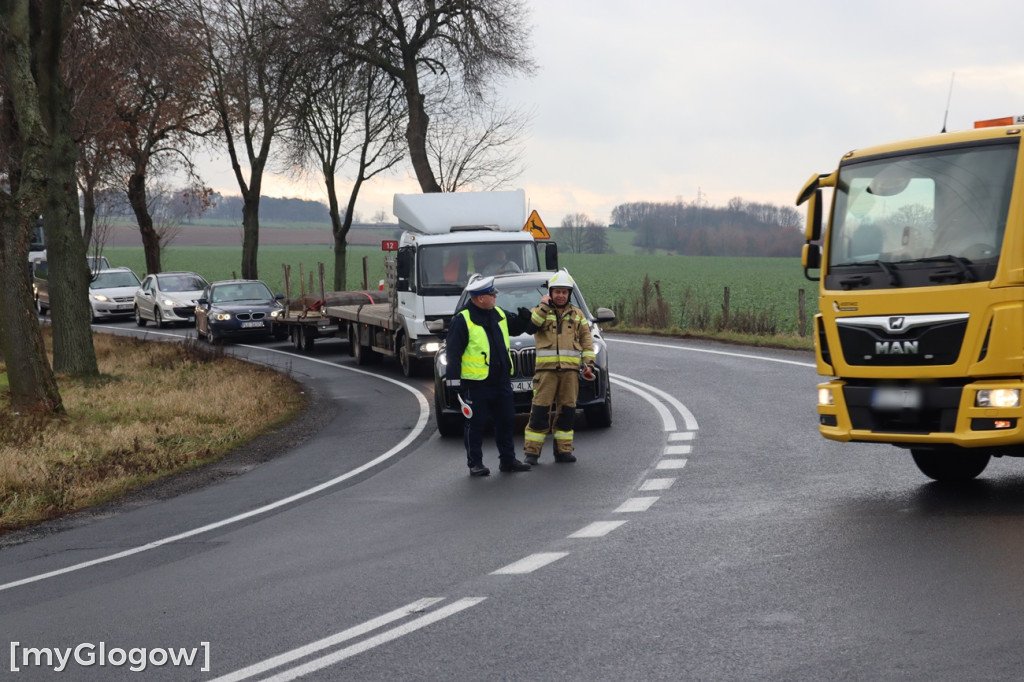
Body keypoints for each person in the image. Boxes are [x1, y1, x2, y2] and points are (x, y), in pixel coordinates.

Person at [445, 275, 536, 477]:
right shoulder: (463, 319)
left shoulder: (498, 314)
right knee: (475, 425)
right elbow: (453, 353)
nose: (495, 296)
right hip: (476, 383)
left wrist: (522, 319)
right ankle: (475, 463)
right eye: (491, 294)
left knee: (506, 420)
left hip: (501, 380)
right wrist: (453, 383)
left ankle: (508, 460)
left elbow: (515, 328)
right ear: (479, 298)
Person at [522, 269, 595, 465]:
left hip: (570, 373)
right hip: (546, 373)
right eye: (557, 292)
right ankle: (531, 453)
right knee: (539, 412)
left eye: (564, 292)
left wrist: (589, 364)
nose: (561, 296)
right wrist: (544, 306)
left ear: (569, 294)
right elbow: (532, 326)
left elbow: (587, 341)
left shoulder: (578, 315)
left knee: (567, 412)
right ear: (551, 293)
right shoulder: (539, 311)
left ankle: (563, 451)